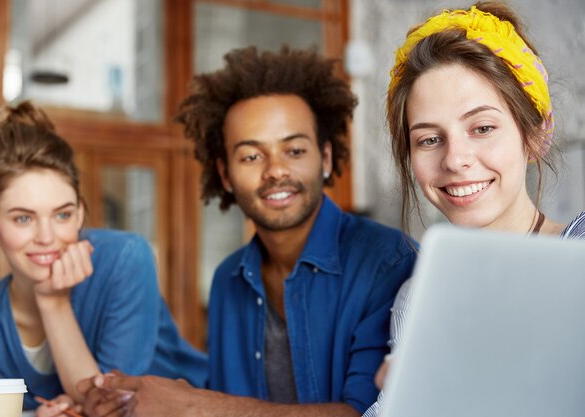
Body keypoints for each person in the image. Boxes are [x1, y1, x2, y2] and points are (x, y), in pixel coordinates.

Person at [78, 46, 417, 417]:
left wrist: (193, 405)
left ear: (326, 158)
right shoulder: (229, 280)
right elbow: (224, 400)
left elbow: (371, 413)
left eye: (294, 150)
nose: (274, 170)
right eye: (251, 156)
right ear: (224, 174)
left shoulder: (388, 263)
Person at [362, 2, 585, 416]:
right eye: (429, 139)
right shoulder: (417, 300)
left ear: (535, 135)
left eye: (482, 128)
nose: (455, 159)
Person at [0, 102, 207, 416]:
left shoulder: (125, 259)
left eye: (62, 214)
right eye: (23, 219)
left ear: (79, 213)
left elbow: (112, 408)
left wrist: (53, 301)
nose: (47, 237)